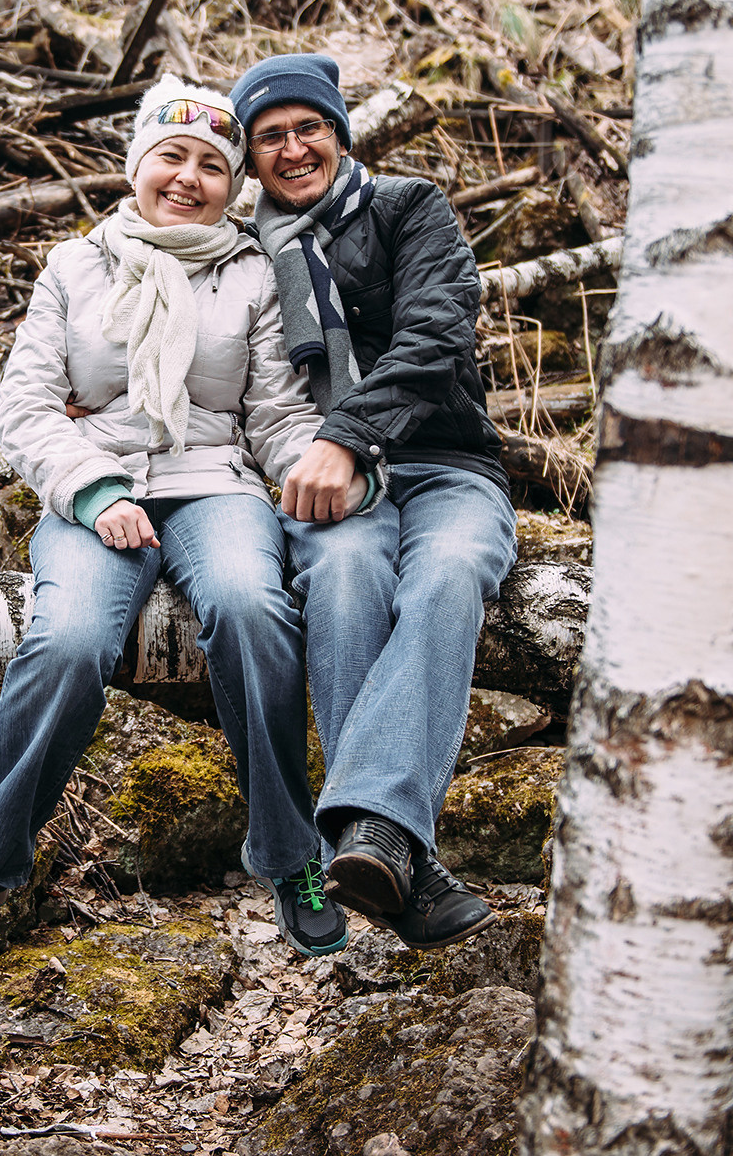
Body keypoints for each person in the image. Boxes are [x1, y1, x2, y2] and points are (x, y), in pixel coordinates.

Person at [0, 75, 350, 957]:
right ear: (137, 164)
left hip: (215, 479)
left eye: (212, 167)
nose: (189, 178)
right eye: (170, 158)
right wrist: (94, 490)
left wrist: (321, 467)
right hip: (95, 482)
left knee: (255, 611)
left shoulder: (253, 271)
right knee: (69, 639)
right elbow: (25, 405)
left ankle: (288, 852)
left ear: (234, 184)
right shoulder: (75, 265)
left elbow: (275, 410)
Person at [230, 53, 515, 951]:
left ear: (340, 133)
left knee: (450, 572)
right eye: (269, 136)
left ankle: (371, 831)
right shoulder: (244, 252)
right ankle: (397, 855)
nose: (292, 147)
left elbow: (437, 333)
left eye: (308, 126)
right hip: (325, 479)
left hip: (445, 462)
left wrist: (345, 433)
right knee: (345, 573)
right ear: (250, 158)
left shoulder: (408, 206)